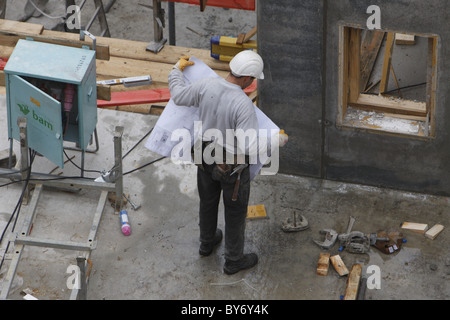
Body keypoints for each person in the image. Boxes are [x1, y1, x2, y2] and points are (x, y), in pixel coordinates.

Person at [168, 50, 264, 275]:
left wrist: (176, 69)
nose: (252, 82)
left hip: (204, 157)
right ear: (247, 78)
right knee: (235, 212)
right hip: (230, 166)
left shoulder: (206, 85)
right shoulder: (243, 105)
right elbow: (249, 146)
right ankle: (233, 260)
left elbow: (178, 96)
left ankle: (207, 243)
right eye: (253, 78)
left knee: (208, 201)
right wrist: (276, 141)